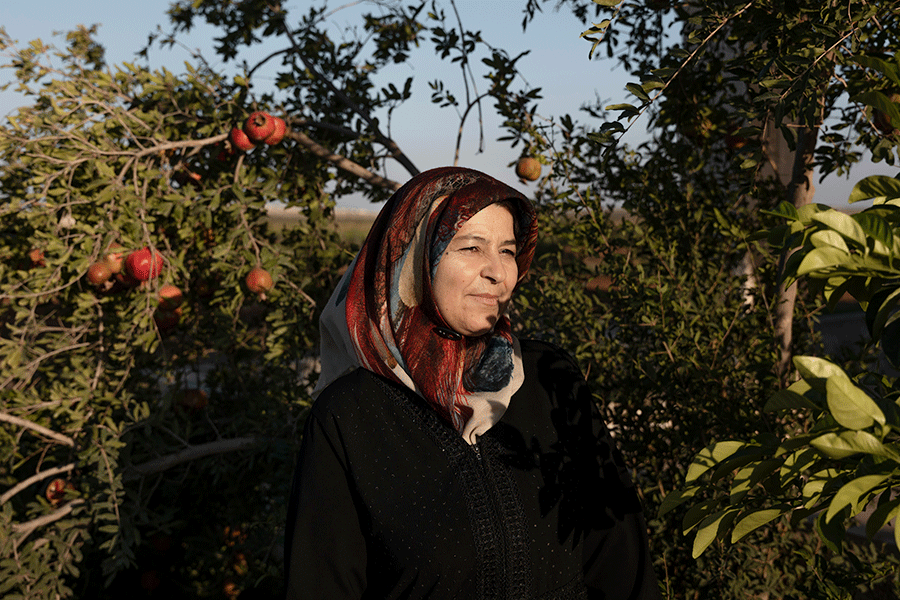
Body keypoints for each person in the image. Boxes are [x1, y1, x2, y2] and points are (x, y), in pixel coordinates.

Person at [284, 166, 662, 600]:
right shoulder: (350, 416)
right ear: (415, 259)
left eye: (507, 250)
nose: (499, 273)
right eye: (471, 247)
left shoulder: (549, 379)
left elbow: (621, 561)